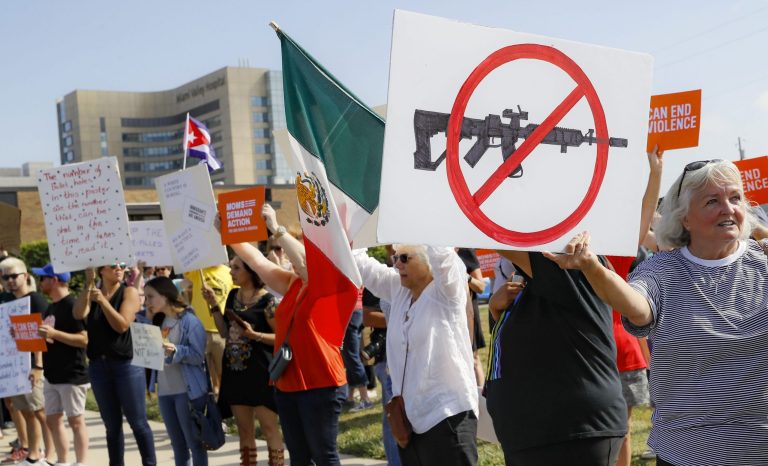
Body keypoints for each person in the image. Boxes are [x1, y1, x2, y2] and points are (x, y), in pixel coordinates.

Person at [546, 159, 768, 466]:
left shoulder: (763, 261)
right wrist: (591, 266)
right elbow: (636, 306)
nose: (728, 209)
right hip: (686, 454)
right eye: (712, 201)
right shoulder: (663, 269)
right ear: (685, 218)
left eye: (735, 198)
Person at [228, 203, 349, 466]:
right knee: (299, 458)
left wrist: (275, 227)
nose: (289, 258)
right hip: (288, 383)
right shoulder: (293, 283)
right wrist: (229, 233)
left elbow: (305, 262)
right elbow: (257, 262)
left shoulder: (329, 283)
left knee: (324, 456)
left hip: (320, 384)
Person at [354, 245, 479, 466]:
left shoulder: (446, 290)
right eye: (395, 257)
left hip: (447, 417)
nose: (397, 263)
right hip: (411, 421)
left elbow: (441, 253)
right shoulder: (399, 290)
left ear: (428, 262)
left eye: (404, 258)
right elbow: (362, 264)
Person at [202, 256, 283, 466]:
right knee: (244, 430)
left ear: (251, 271)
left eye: (236, 268)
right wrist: (213, 305)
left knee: (268, 428)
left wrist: (255, 335)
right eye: (231, 268)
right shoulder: (231, 296)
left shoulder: (268, 301)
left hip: (262, 373)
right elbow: (224, 331)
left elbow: (282, 338)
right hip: (235, 372)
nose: (231, 272)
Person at [73, 263, 156, 466]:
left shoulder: (129, 292)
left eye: (122, 265)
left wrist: (103, 302)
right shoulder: (93, 293)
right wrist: (88, 284)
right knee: (112, 426)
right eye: (113, 265)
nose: (119, 268)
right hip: (98, 367)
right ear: (101, 270)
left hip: (125, 366)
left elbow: (121, 325)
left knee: (138, 422)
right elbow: (78, 314)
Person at [144, 277, 208, 466]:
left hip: (187, 392)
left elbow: (198, 356)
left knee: (194, 444)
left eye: (150, 297)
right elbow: (150, 354)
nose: (146, 302)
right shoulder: (159, 320)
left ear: (165, 295)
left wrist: (177, 351)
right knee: (178, 445)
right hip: (165, 391)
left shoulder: (190, 321)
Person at [32, 264, 89, 466]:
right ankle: (62, 461)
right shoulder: (51, 306)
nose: (40, 283)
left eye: (43, 278)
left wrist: (54, 334)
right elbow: (47, 338)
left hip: (72, 373)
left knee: (76, 420)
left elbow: (84, 339)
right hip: (52, 374)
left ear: (54, 280)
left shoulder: (73, 305)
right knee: (53, 419)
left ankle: (80, 462)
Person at [0, 258, 53, 466]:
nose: (11, 280)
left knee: (41, 411)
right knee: (25, 412)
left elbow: (44, 334)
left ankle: (50, 456)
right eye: (6, 277)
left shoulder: (36, 300)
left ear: (25, 276)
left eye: (14, 276)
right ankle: (33, 454)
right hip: (14, 366)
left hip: (32, 365)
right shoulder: (6, 302)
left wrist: (38, 365)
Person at [183, 265, 233, 397]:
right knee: (204, 377)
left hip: (221, 331)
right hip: (199, 331)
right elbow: (184, 266)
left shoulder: (229, 272)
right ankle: (210, 410)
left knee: (226, 373)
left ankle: (227, 406)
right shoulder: (197, 269)